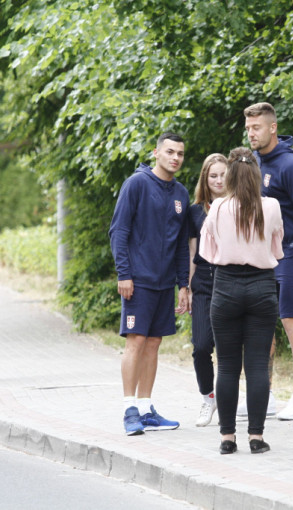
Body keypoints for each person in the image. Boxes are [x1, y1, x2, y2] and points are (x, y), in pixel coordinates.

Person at [200, 147, 284, 454]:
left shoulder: (218, 207)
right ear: (257, 175)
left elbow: (207, 252)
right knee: (258, 365)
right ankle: (256, 438)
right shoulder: (271, 206)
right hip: (262, 287)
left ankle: (227, 438)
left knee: (227, 366)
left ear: (231, 176)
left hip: (226, 287)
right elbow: (277, 249)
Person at [109, 132, 190, 436]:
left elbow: (181, 244)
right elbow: (119, 231)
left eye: (180, 153)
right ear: (156, 153)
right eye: (170, 152)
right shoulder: (137, 184)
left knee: (154, 343)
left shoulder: (181, 193)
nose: (175, 158)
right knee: (136, 341)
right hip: (138, 280)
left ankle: (146, 409)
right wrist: (124, 273)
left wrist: (183, 284)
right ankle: (129, 410)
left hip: (164, 283)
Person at [244, 102, 293, 421]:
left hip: (292, 254)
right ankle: (266, 395)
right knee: (262, 324)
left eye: (257, 128)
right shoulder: (254, 162)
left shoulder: (291, 165)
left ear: (272, 128)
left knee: (292, 321)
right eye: (248, 128)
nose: (251, 134)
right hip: (265, 256)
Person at [188, 153, 227, 427]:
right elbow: (192, 252)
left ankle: (227, 400)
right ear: (205, 178)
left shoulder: (238, 206)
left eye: (223, 175)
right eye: (213, 175)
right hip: (202, 284)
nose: (218, 180)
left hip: (228, 282)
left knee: (228, 348)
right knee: (201, 346)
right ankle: (208, 397)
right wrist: (187, 288)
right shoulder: (194, 212)